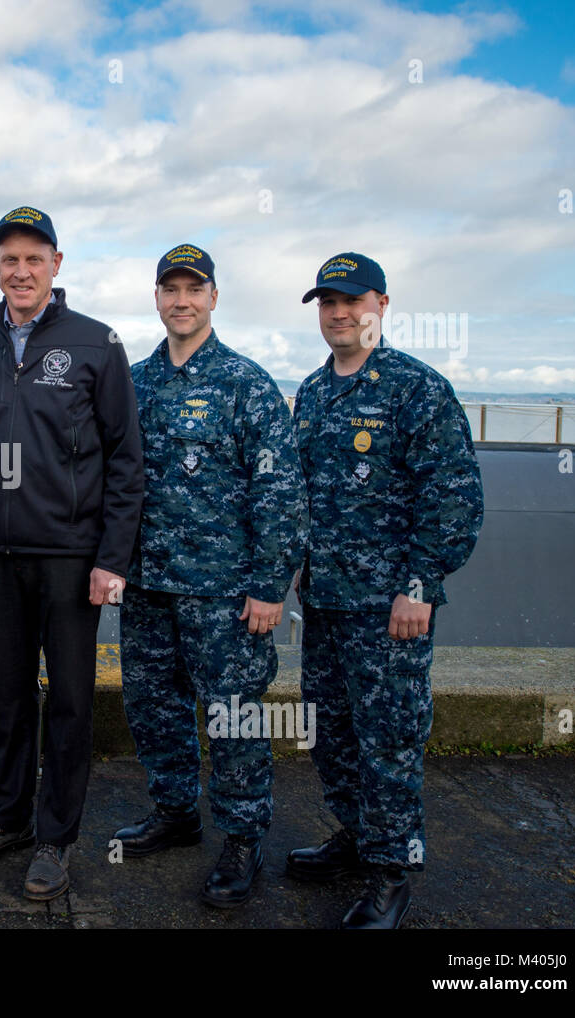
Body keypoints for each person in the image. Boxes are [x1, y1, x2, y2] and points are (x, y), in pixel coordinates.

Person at [0, 206, 143, 901]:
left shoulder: (95, 343)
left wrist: (112, 558)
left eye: (34, 258)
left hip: (71, 558)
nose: (20, 270)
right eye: (8, 259)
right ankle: (9, 821)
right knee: (8, 696)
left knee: (71, 705)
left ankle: (56, 838)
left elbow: (125, 460)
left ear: (57, 265)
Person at [289, 252, 483, 928]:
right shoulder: (313, 393)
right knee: (333, 733)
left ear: (381, 304)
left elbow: (454, 497)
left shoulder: (414, 388)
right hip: (327, 603)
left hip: (390, 610)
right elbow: (301, 496)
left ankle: (392, 873)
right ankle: (357, 836)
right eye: (328, 302)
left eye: (352, 300)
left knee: (390, 739)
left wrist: (420, 585)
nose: (339, 313)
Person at [114, 244, 307, 908]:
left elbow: (279, 494)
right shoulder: (134, 382)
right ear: (158, 298)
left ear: (214, 298)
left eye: (194, 289)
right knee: (153, 709)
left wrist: (267, 586)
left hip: (225, 596)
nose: (182, 300)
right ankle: (174, 812)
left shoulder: (245, 384)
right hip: (145, 587)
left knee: (232, 719)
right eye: (170, 289)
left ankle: (243, 838)